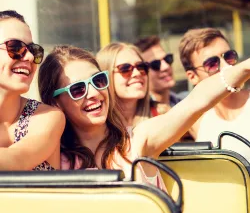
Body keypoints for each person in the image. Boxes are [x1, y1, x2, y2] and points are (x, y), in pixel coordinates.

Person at [38, 44, 250, 188]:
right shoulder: (52, 159)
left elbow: (196, 101)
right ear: (56, 102)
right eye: (77, 89)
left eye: (98, 81)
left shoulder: (136, 141)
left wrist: (244, 68)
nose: (94, 93)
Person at [0, 10, 65, 170]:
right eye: (15, 47)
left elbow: (17, 160)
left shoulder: (47, 117)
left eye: (33, 50)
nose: (29, 57)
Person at [179, 27, 250, 161]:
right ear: (192, 76)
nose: (225, 67)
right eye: (212, 64)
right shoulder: (195, 121)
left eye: (228, 57)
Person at [96, 42, 150, 131]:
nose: (137, 73)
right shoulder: (96, 128)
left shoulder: (162, 115)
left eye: (141, 66)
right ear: (106, 77)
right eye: (125, 68)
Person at [134, 35, 181, 116]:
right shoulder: (138, 116)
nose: (165, 66)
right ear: (141, 72)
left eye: (167, 59)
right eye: (155, 64)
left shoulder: (183, 102)